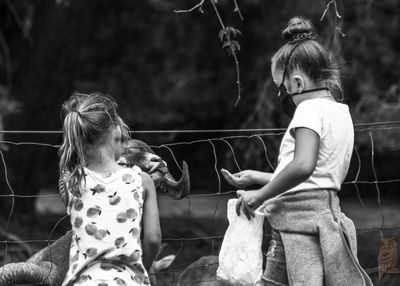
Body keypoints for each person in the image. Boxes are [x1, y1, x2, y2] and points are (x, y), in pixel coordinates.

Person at [221, 17, 373, 286]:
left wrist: (259, 196)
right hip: (323, 217)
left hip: (297, 226)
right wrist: (257, 176)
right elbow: (316, 179)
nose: (284, 95)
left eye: (284, 88)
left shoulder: (308, 109)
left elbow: (303, 166)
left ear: (298, 83)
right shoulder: (340, 112)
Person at [59, 92, 161, 286]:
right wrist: (140, 272)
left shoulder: (72, 182)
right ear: (117, 132)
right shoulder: (143, 181)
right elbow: (154, 240)